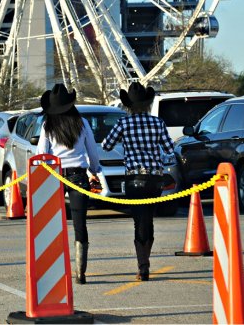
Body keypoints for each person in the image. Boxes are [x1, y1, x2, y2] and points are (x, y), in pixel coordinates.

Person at [102, 82, 175, 281]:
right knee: (148, 219)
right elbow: (169, 148)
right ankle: (145, 262)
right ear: (147, 103)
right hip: (154, 178)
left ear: (128, 105)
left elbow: (106, 145)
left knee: (138, 221)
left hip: (133, 178)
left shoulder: (123, 123)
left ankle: (143, 266)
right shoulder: (157, 122)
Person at [36, 84, 101, 285]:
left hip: (55, 176)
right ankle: (80, 272)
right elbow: (92, 151)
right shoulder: (82, 123)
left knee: (52, 224)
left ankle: (54, 269)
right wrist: (95, 169)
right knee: (80, 224)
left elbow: (41, 156)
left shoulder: (48, 125)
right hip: (79, 176)